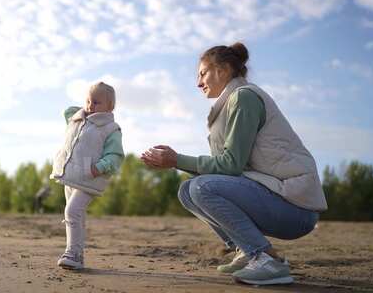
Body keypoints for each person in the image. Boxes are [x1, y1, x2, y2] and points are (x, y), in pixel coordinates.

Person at [141, 42, 327, 286]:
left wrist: (176, 159)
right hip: (274, 198)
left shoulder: (244, 98)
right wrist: (175, 163)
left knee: (201, 188)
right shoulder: (229, 104)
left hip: (296, 208)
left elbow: (230, 166)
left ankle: (266, 259)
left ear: (223, 70)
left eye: (202, 73)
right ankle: (245, 249)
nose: (198, 82)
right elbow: (226, 170)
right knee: (188, 190)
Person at [50, 81, 124, 270]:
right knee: (76, 216)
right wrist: (86, 107)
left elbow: (115, 156)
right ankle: (77, 255)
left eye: (97, 102)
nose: (91, 106)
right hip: (71, 175)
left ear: (110, 107)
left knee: (72, 211)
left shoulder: (110, 129)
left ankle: (72, 253)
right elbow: (68, 111)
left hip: (90, 177)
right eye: (88, 101)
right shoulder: (78, 120)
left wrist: (98, 168)